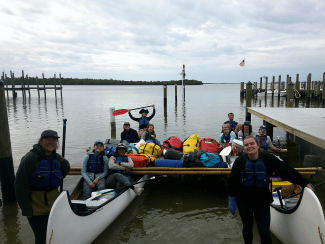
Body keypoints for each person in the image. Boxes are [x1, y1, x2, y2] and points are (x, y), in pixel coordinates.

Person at [227, 136, 314, 244]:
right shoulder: (240, 161)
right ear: (244, 147)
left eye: (252, 144)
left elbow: (286, 170)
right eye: (246, 145)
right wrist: (231, 199)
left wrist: (303, 182)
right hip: (244, 201)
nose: (249, 146)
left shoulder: (267, 158)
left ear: (258, 145)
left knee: (264, 232)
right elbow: (232, 181)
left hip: (262, 201)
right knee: (247, 228)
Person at [15, 130, 70, 244]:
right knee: (41, 237)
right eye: (47, 139)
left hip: (54, 204)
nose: (51, 142)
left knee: (54, 235)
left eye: (54, 140)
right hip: (36, 206)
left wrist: (65, 163)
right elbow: (20, 185)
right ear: (40, 142)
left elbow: (62, 175)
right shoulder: (31, 158)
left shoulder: (57, 158)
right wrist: (26, 209)